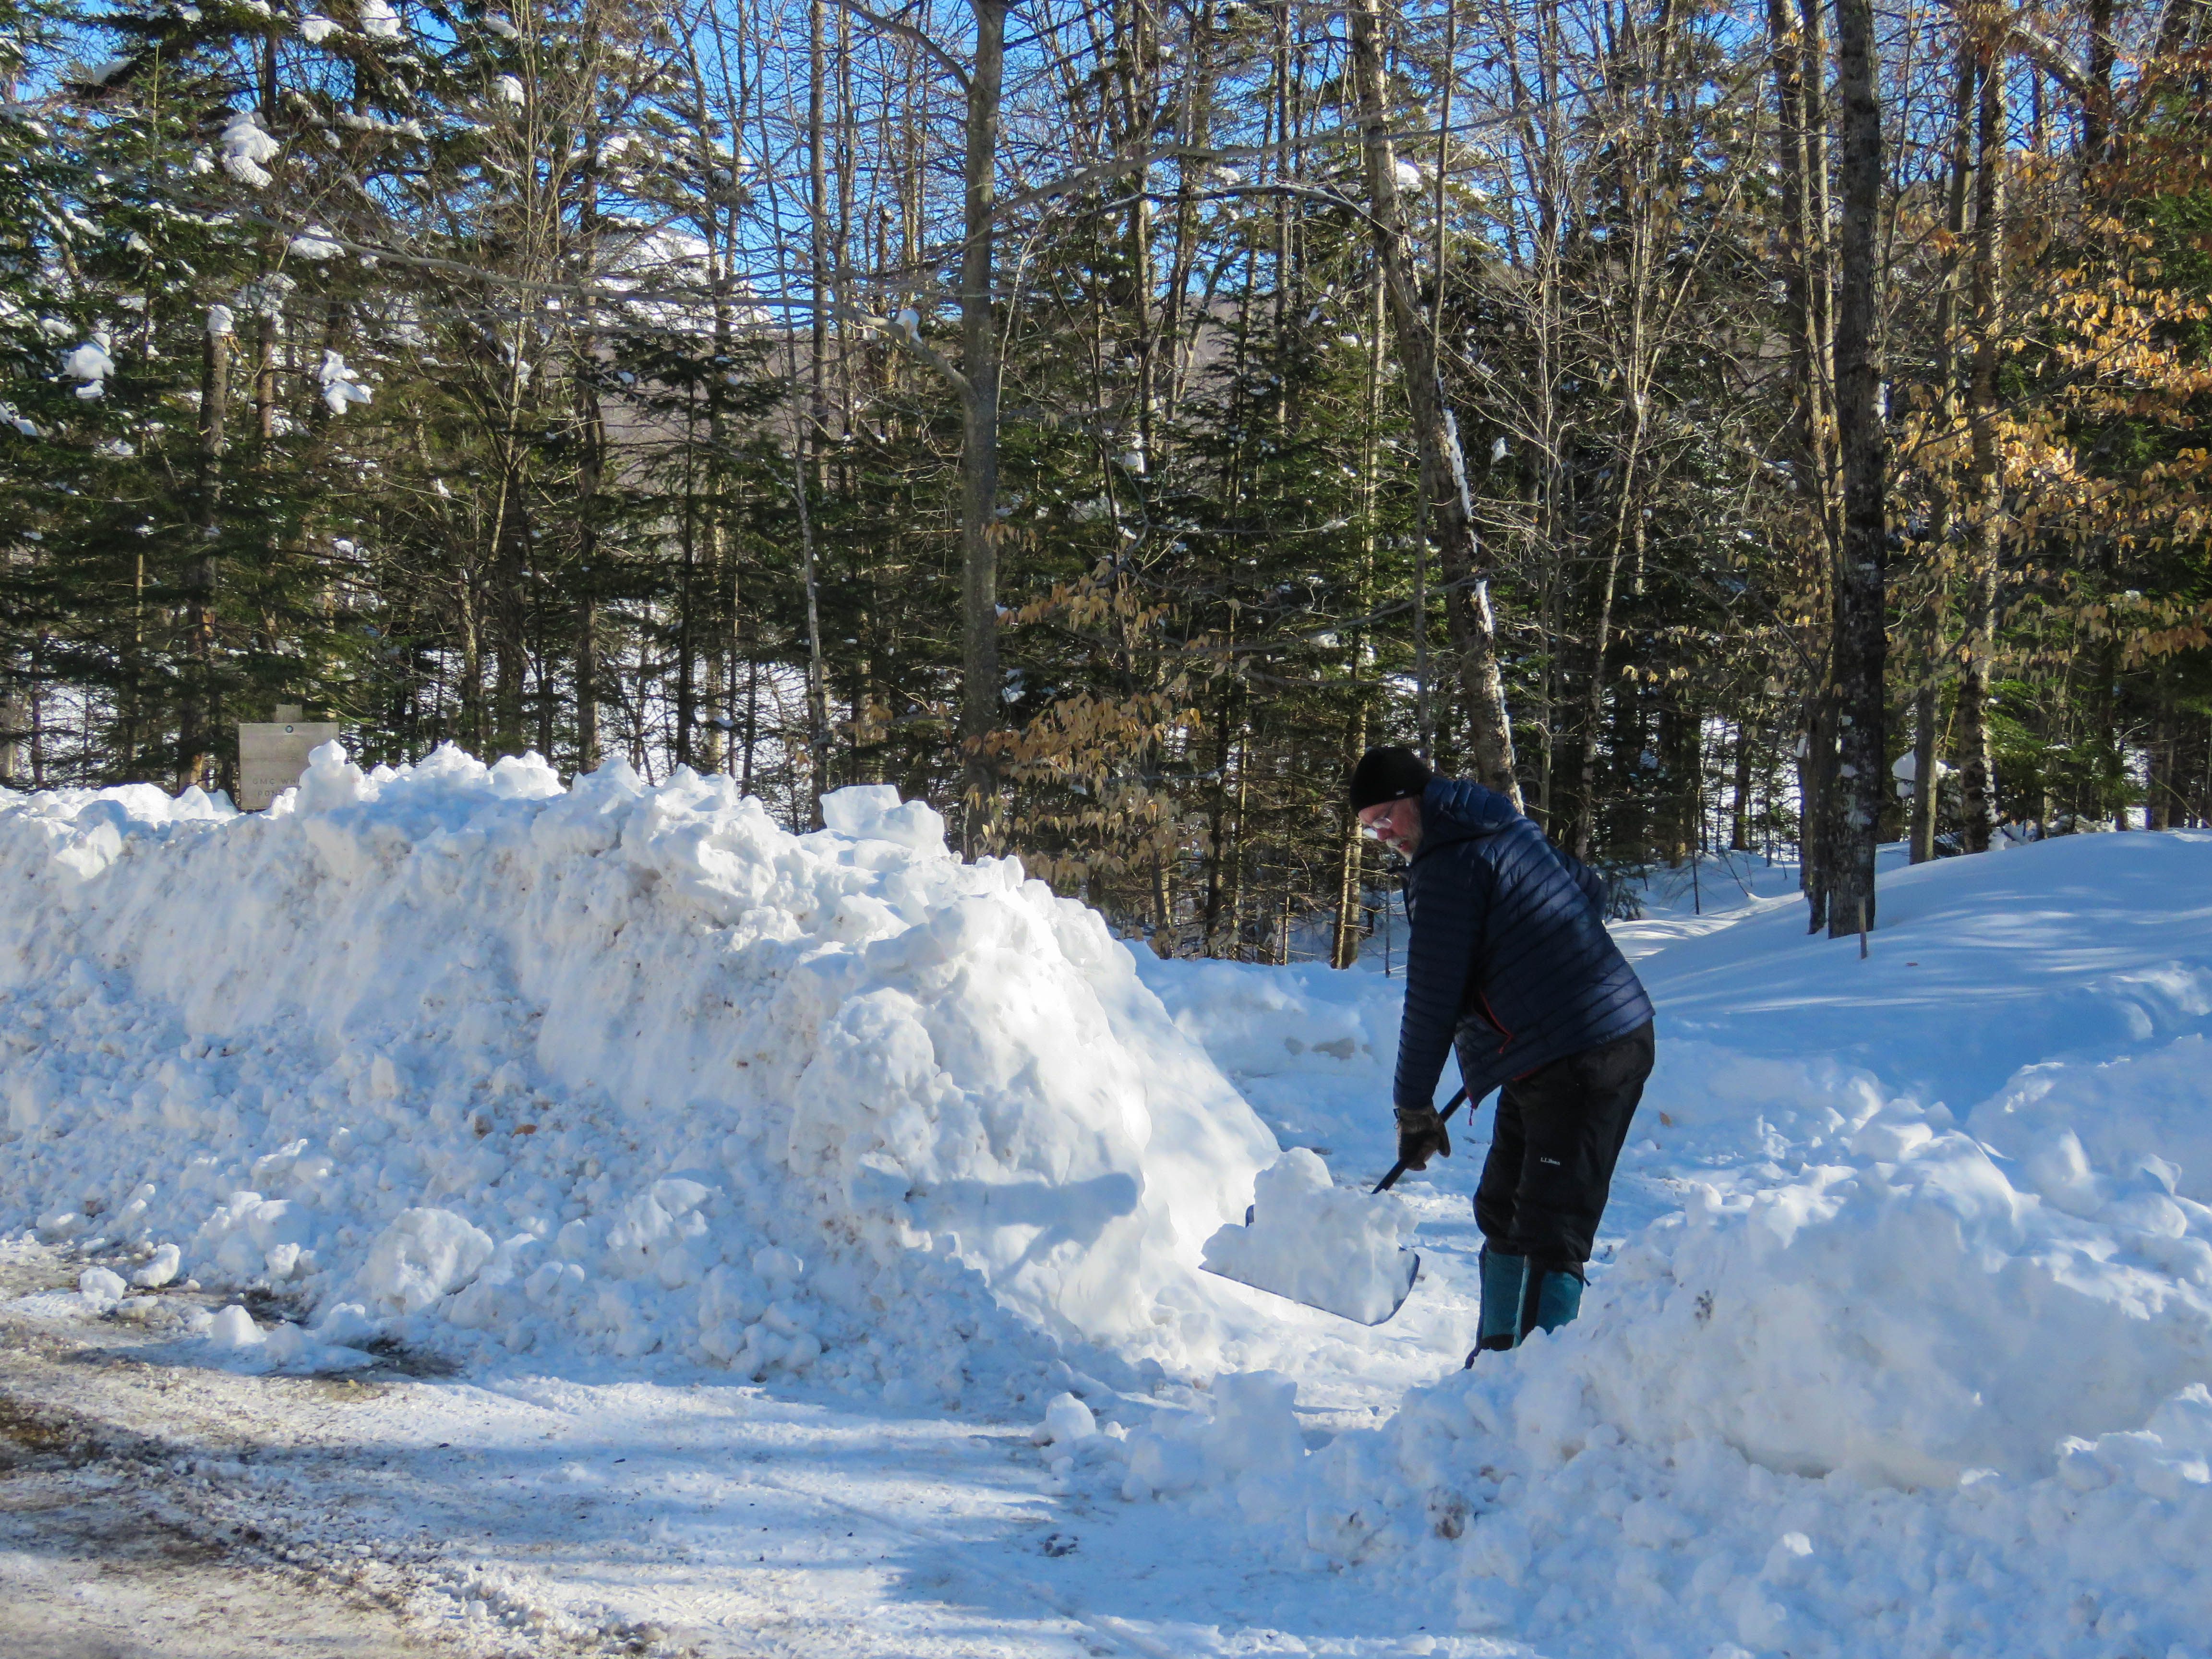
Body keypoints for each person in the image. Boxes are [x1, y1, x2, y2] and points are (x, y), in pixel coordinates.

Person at [1350, 745, 1655, 1364]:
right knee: (1502, 1205)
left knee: (1551, 1227)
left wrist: (1414, 1108)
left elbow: (1432, 998)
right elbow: (1585, 889)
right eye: (1370, 828)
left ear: (1414, 797)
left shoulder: (1447, 864)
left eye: (1385, 817)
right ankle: (1496, 1364)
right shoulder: (1496, 823)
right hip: (1545, 1052)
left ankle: (1536, 1387)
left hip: (1590, 1052)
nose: (1384, 835)